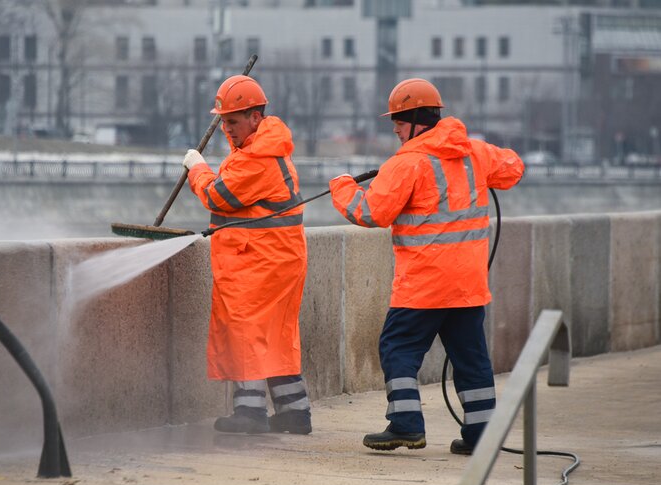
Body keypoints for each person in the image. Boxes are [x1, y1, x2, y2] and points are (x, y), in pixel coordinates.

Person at [328, 78, 524, 455]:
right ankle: (483, 436)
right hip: (467, 285)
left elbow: (371, 212)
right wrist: (489, 157)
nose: (396, 129)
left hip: (423, 285)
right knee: (471, 360)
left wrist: (341, 187)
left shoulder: (407, 164)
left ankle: (406, 425)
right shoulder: (475, 153)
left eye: (400, 121)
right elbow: (513, 169)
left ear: (418, 120)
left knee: (397, 347)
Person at [182, 75, 312, 435]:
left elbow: (217, 196)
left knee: (245, 331)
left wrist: (197, 168)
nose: (227, 129)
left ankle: (250, 412)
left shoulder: (256, 159)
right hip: (276, 258)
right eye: (223, 121)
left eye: (233, 121)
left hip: (258, 261)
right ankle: (294, 412)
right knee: (275, 336)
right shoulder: (266, 150)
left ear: (255, 117)